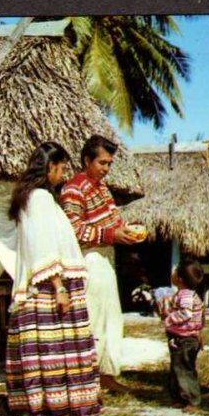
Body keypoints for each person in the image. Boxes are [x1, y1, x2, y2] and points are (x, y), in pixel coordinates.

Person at [3, 141, 103, 416]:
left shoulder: (30, 198)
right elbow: (44, 247)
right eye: (61, 169)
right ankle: (56, 408)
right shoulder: (41, 200)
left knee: (49, 351)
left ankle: (43, 405)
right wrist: (59, 288)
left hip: (43, 283)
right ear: (50, 167)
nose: (63, 175)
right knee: (57, 349)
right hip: (49, 285)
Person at [60, 134, 139, 393]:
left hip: (106, 257)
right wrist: (109, 234)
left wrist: (124, 232)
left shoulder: (102, 188)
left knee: (110, 318)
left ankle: (106, 372)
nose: (106, 168)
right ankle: (86, 376)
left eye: (109, 164)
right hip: (88, 259)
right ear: (87, 160)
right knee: (91, 317)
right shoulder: (73, 188)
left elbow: (112, 222)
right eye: (102, 163)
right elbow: (72, 229)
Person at [156, 259, 206, 412]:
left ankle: (192, 399)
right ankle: (179, 397)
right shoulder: (189, 294)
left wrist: (168, 319)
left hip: (184, 339)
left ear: (180, 279)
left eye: (175, 271)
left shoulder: (185, 296)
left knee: (184, 369)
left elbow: (186, 313)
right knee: (179, 368)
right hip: (185, 337)